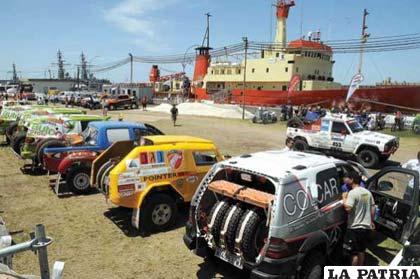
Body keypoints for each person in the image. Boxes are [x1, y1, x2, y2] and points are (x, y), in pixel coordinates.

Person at [343, 171, 376, 266]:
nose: (344, 179)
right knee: (361, 251)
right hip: (365, 227)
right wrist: (371, 221)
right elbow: (372, 208)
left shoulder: (353, 193)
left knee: (353, 253)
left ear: (352, 179)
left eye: (346, 177)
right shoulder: (366, 193)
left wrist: (344, 198)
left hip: (355, 227)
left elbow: (348, 208)